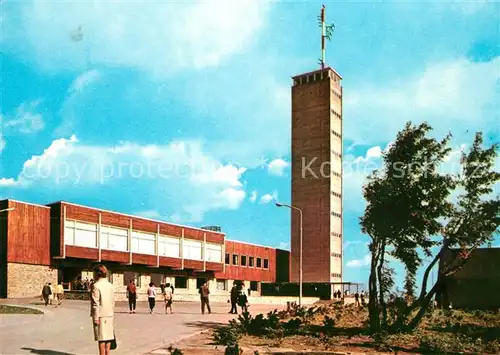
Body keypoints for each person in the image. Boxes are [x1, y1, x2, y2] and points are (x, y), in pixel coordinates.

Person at [90, 264, 115, 355]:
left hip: (100, 315)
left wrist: (95, 317)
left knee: (101, 339)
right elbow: (113, 301)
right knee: (108, 337)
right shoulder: (111, 285)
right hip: (109, 314)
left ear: (97, 273)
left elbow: (95, 303)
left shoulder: (96, 286)